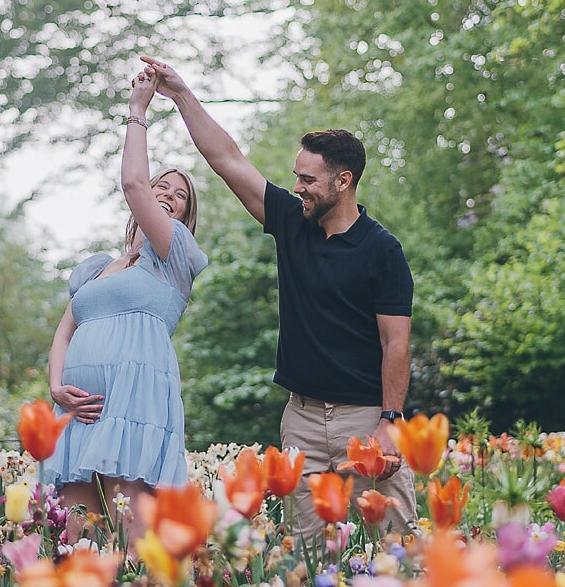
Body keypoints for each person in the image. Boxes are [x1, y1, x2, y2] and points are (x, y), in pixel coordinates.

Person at [139, 56, 417, 542]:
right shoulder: (292, 221)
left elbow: (396, 343)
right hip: (302, 422)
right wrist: (181, 94)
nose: (298, 188)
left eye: (308, 179)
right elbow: (227, 161)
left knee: (397, 548)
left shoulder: (382, 250)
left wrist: (391, 422)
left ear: (343, 181)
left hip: (366, 420)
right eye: (296, 176)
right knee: (308, 561)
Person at [41, 67, 208, 547]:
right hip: (80, 407)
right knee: (78, 533)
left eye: (181, 196)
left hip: (133, 400)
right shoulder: (98, 268)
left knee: (131, 530)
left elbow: (132, 184)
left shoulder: (173, 254)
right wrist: (57, 387)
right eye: (164, 186)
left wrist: (138, 112)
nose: (169, 196)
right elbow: (64, 332)